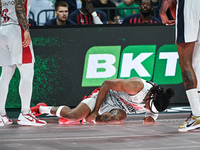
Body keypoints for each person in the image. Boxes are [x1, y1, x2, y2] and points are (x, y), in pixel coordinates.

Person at [31, 77, 175, 125]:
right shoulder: (136, 87)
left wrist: (150, 117)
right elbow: (106, 83)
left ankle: (84, 119)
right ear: (151, 96)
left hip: (115, 108)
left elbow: (153, 111)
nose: (146, 109)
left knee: (120, 117)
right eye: (147, 107)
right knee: (72, 115)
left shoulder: (157, 101)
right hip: (105, 96)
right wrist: (94, 111)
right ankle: (41, 108)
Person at [0, 0, 46, 126]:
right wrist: (25, 29)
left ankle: (1, 114)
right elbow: (19, 6)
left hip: (3, 28)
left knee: (5, 75)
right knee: (27, 72)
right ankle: (25, 113)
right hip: (16, 29)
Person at [160, 0, 200, 132]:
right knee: (196, 61)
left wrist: (163, 8)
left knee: (185, 61)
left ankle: (197, 115)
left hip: (190, 4)